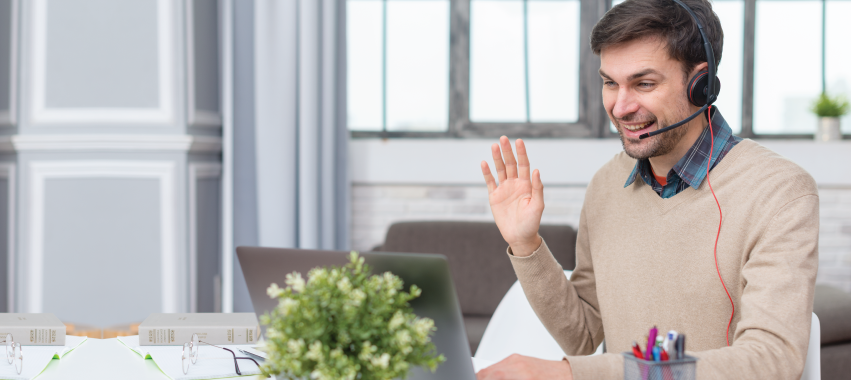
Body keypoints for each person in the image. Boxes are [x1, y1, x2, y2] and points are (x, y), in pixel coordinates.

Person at [474, 0, 819, 379]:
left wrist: (573, 375)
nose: (620, 107)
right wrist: (526, 245)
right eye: (610, 83)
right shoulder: (606, 185)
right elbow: (583, 336)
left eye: (644, 83)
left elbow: (773, 359)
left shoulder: (779, 191)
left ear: (700, 85)